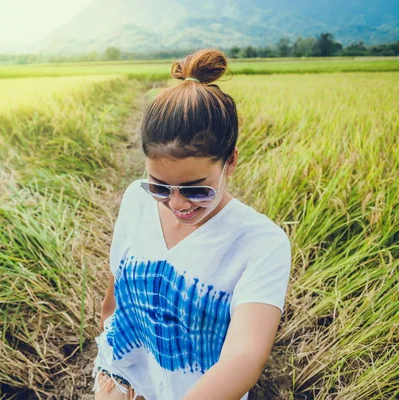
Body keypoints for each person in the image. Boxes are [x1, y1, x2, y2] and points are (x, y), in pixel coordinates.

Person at [90, 49, 292, 400]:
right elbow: (116, 289)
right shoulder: (136, 198)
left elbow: (244, 355)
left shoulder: (261, 243)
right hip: (123, 382)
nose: (177, 203)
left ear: (230, 163)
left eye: (197, 190)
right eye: (159, 186)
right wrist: (111, 369)